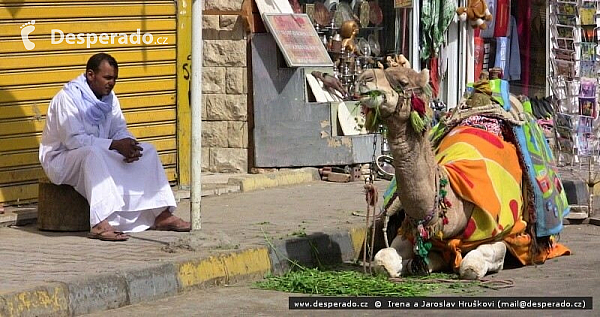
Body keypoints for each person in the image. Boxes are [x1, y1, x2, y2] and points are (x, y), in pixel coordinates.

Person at [39, 53, 190, 241]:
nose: (111, 83)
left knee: (147, 151)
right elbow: (74, 141)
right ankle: (100, 223)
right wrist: (115, 145)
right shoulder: (67, 99)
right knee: (91, 154)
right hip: (62, 159)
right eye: (107, 78)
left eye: (114, 79)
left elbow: (119, 129)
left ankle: (161, 214)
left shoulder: (109, 99)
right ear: (91, 75)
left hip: (99, 151)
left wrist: (129, 144)